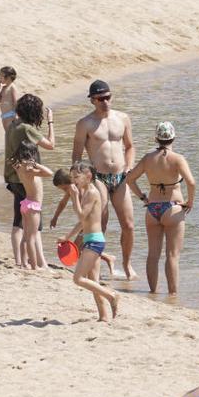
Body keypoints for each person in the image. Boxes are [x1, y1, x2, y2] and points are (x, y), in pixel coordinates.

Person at [72, 80, 139, 280]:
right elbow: (76, 156)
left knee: (128, 225)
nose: (105, 102)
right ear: (92, 100)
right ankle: (81, 258)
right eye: (100, 99)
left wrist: (129, 166)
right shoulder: (85, 123)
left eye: (108, 97)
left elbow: (130, 146)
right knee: (99, 223)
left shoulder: (123, 118)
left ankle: (127, 265)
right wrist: (79, 183)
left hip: (120, 176)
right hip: (97, 177)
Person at [126, 122, 196, 295]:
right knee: (172, 255)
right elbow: (191, 182)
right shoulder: (177, 159)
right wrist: (189, 202)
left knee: (153, 254)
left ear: (156, 138)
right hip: (173, 207)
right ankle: (173, 294)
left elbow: (129, 179)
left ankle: (153, 292)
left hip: (153, 208)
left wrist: (143, 197)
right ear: (174, 138)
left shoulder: (148, 158)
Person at [57, 161, 121, 322]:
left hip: (95, 241)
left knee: (78, 279)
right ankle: (104, 316)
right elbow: (82, 222)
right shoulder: (84, 192)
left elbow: (80, 215)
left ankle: (111, 295)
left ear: (88, 176)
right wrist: (68, 237)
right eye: (72, 177)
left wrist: (73, 196)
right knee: (93, 282)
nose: (73, 181)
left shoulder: (92, 193)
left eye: (76, 177)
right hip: (90, 239)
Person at [4, 94, 54, 268]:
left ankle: (20, 261)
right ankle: (39, 262)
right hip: (27, 180)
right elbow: (50, 145)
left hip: (13, 176)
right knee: (34, 227)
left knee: (18, 221)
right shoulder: (27, 128)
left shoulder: (12, 125)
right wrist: (50, 122)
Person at [51, 169, 117, 278]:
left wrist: (67, 236)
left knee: (79, 248)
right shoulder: (71, 190)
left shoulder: (81, 192)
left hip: (89, 224)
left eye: (64, 188)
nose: (64, 191)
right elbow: (62, 203)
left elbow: (83, 218)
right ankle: (105, 260)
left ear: (71, 182)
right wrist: (55, 217)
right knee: (82, 248)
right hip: (84, 224)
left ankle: (97, 268)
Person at [10, 141, 53, 270]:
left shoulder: (18, 167)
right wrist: (37, 164)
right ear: (32, 154)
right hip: (33, 206)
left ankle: (24, 263)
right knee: (32, 237)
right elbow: (49, 173)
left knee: (25, 236)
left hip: (25, 204)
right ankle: (34, 265)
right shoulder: (31, 170)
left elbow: (12, 159)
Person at [0, 67, 19, 131]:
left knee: (12, 134)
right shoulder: (3, 88)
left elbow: (15, 102)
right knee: (8, 134)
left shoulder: (12, 87)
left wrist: (16, 115)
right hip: (4, 115)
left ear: (8, 77)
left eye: (1, 76)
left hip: (11, 115)